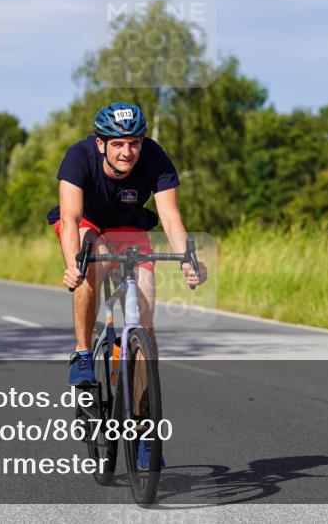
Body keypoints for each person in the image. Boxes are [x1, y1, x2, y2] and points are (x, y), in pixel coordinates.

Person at [46, 101, 207, 469]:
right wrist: (73, 266)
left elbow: (170, 216)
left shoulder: (155, 158)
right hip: (87, 224)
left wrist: (188, 260)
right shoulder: (79, 156)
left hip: (131, 227)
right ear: (101, 143)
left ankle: (144, 429)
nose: (127, 151)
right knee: (91, 256)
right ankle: (83, 353)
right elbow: (70, 219)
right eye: (117, 143)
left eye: (133, 142)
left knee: (145, 322)